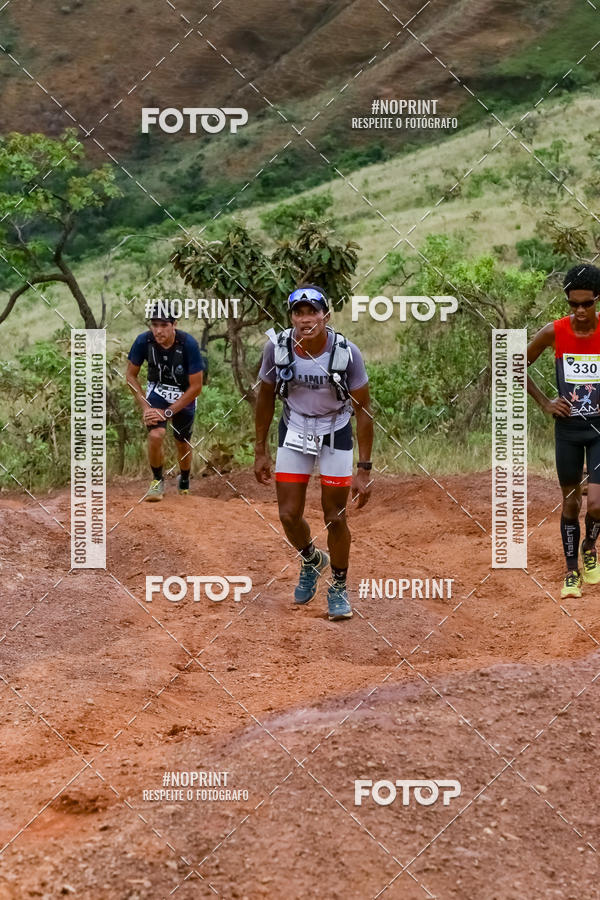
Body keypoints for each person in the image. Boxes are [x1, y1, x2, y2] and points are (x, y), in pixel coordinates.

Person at [254, 284, 374, 620]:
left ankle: (338, 585)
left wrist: (364, 469)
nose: (306, 318)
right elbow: (264, 397)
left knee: (334, 515)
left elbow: (363, 409)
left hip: (335, 430)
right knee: (288, 514)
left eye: (312, 311)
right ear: (291, 317)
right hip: (294, 428)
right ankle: (311, 559)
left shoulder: (347, 352)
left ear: (326, 315)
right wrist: (259, 450)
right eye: (298, 312)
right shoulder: (276, 350)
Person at [527, 263, 600, 598]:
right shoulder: (553, 331)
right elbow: (514, 362)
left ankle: (590, 546)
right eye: (574, 304)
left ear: (597, 299)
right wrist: (544, 402)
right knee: (570, 502)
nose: (581, 311)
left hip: (599, 429)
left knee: (596, 504)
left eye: (587, 303)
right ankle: (571, 573)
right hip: (568, 431)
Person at [126, 304, 205, 501]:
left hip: (184, 395)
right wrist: (146, 407)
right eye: (154, 325)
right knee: (155, 434)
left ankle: (184, 479)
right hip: (158, 392)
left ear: (174, 325)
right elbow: (130, 376)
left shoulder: (188, 344)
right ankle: (157, 481)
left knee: (182, 443)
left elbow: (196, 387)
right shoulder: (143, 341)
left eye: (163, 325)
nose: (158, 330)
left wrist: (168, 412)